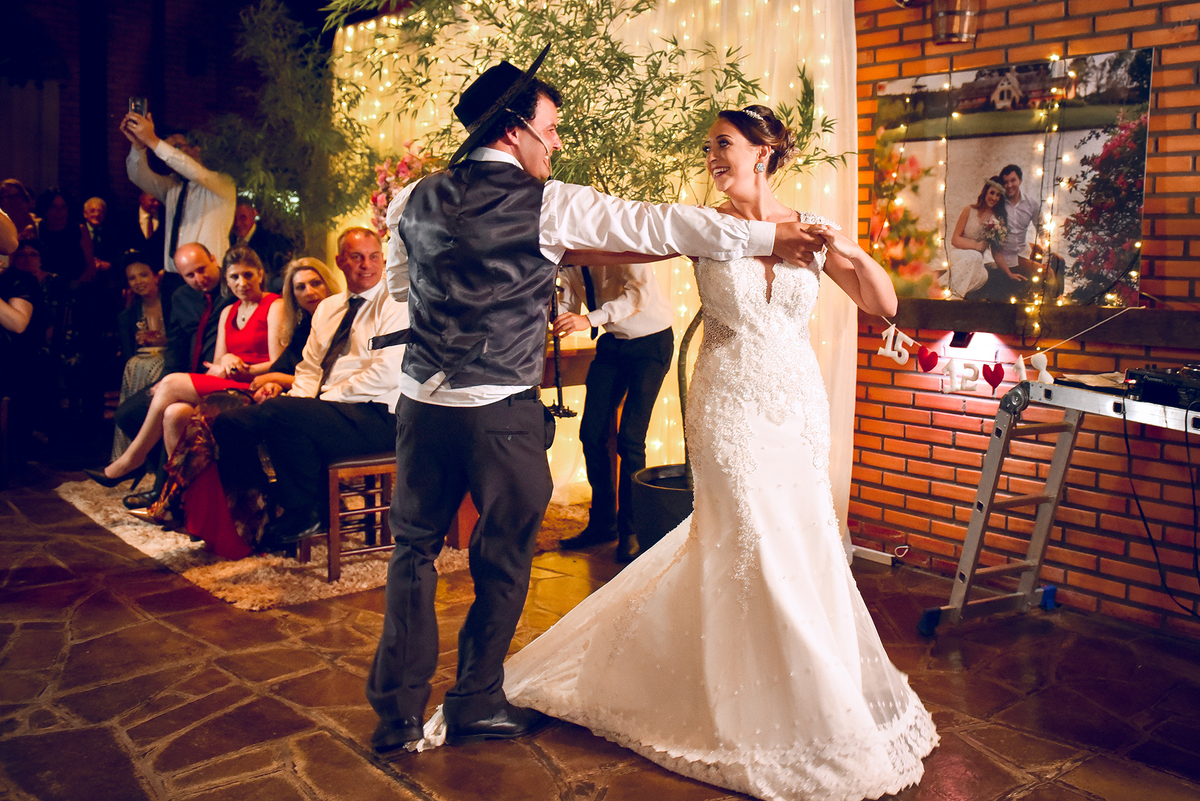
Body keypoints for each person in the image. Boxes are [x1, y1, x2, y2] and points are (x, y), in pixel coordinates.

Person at [420, 105, 938, 800]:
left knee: (802, 535)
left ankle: (813, 691)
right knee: (748, 531)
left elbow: (883, 304)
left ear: (763, 152)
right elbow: (606, 250)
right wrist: (522, 244)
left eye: (724, 144)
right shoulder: (704, 226)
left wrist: (845, 246)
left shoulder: (809, 228)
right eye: (709, 147)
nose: (713, 157)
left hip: (796, 402)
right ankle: (750, 699)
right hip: (728, 404)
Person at [366, 49, 828, 755]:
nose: (555, 143)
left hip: (420, 407)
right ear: (513, 129)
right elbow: (664, 225)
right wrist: (769, 235)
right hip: (500, 414)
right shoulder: (549, 203)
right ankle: (475, 701)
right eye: (550, 128)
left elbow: (402, 289)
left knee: (413, 553)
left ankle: (396, 718)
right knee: (502, 558)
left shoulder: (411, 200)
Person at [210, 227, 407, 548]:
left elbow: (386, 372)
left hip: (380, 415)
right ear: (340, 261)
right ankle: (263, 507)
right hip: (330, 410)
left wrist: (320, 401)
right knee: (229, 422)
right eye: (356, 257)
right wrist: (301, 402)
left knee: (281, 413)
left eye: (374, 257)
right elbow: (310, 368)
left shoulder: (398, 303)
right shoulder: (329, 308)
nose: (366, 265)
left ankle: (305, 510)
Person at [88, 245, 281, 488]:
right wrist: (221, 362)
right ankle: (176, 493)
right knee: (166, 412)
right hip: (206, 376)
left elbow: (279, 360)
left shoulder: (266, 301)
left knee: (170, 386)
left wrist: (238, 368)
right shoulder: (203, 303)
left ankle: (133, 463)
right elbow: (180, 346)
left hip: (244, 382)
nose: (199, 279)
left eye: (202, 270)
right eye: (190, 275)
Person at [554, 261, 674, 561]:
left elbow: (638, 296)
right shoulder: (570, 258)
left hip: (651, 341)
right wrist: (551, 303)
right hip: (613, 343)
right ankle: (602, 523)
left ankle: (632, 530)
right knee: (591, 434)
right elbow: (567, 306)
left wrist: (589, 319)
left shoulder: (622, 244)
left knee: (630, 439)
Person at [121, 111, 237, 277]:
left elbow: (193, 171)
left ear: (196, 149)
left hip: (208, 272)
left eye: (175, 147)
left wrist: (153, 141)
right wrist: (138, 147)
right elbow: (136, 175)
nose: (169, 155)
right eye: (167, 150)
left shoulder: (221, 183)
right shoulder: (173, 186)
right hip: (174, 273)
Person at [248, 256, 340, 399]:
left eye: (316, 283)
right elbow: (282, 368)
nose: (309, 292)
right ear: (293, 296)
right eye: (300, 287)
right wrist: (274, 385)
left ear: (328, 285)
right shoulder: (303, 328)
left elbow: (328, 381)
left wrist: (277, 379)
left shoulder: (342, 323)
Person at [112, 257, 171, 460]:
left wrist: (163, 340)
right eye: (132, 278)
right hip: (141, 367)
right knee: (135, 365)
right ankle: (135, 457)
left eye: (143, 275)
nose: (138, 282)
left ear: (156, 276)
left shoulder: (173, 303)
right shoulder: (128, 316)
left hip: (170, 365)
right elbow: (128, 353)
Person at [971, 163, 1040, 301]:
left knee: (1044, 274)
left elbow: (1042, 228)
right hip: (1002, 258)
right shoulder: (998, 204)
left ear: (1020, 180)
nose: (1009, 185)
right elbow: (993, 242)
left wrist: (1045, 248)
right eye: (1006, 182)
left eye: (1013, 180)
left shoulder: (1031, 204)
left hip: (1022, 255)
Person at [942, 177, 1007, 300]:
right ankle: (951, 295)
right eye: (992, 193)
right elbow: (955, 240)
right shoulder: (969, 210)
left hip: (977, 260)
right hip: (959, 253)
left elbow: (997, 250)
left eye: (998, 195)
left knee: (983, 276)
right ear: (985, 192)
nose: (994, 198)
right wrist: (976, 246)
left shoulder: (997, 220)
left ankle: (949, 292)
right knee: (975, 255)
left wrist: (1008, 271)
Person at [229, 198, 294, 293]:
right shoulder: (229, 241)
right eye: (233, 219)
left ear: (253, 213)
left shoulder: (273, 239)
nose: (238, 223)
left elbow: (281, 277)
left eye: (243, 218)